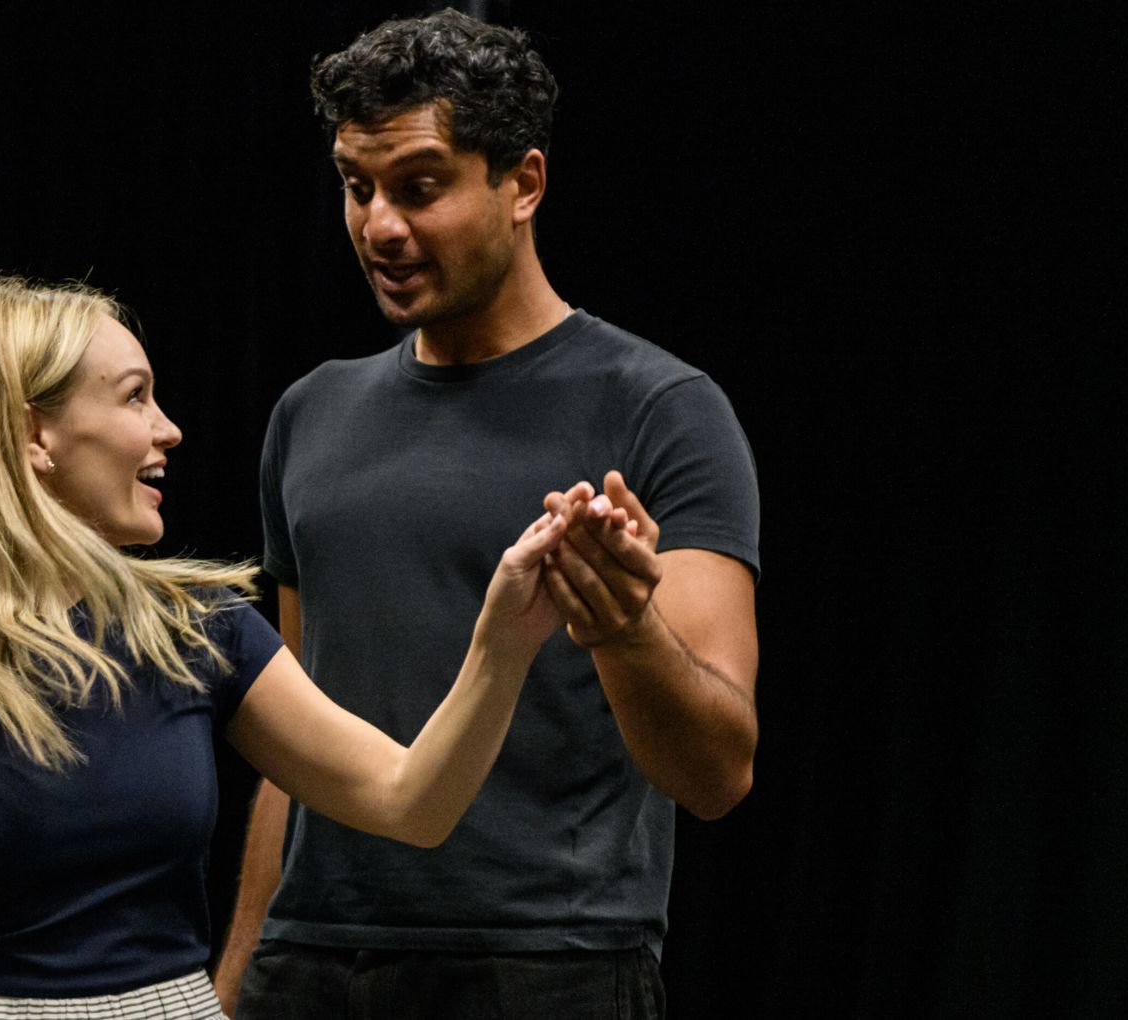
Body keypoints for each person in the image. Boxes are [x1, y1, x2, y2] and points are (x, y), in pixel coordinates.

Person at [0, 276, 585, 1020]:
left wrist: (502, 642)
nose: (170, 429)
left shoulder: (197, 631)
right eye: (135, 397)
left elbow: (412, 802)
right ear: (34, 434)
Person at [215, 9, 761, 1018]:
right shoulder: (311, 414)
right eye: (357, 187)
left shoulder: (658, 410)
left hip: (545, 966)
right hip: (312, 963)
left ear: (524, 184)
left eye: (420, 187)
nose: (381, 225)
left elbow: (719, 771)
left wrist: (626, 629)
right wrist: (238, 981)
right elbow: (291, 744)